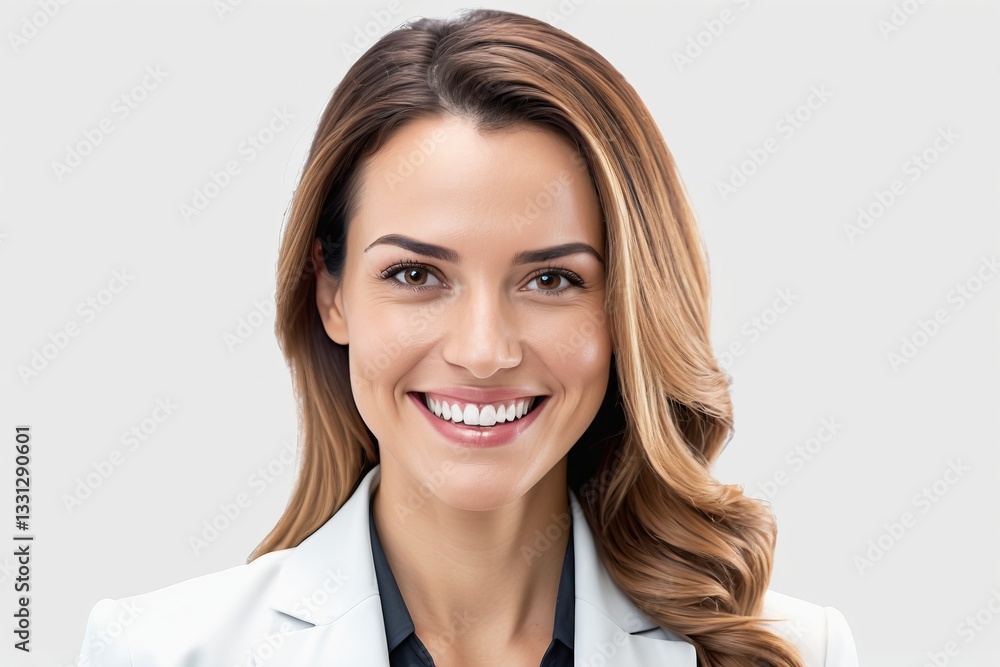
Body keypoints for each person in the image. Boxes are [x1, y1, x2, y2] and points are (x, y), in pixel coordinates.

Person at [78, 8, 860, 666]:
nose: (483, 352)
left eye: (550, 279)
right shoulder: (153, 652)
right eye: (417, 274)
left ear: (629, 306)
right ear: (330, 292)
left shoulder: (795, 651)